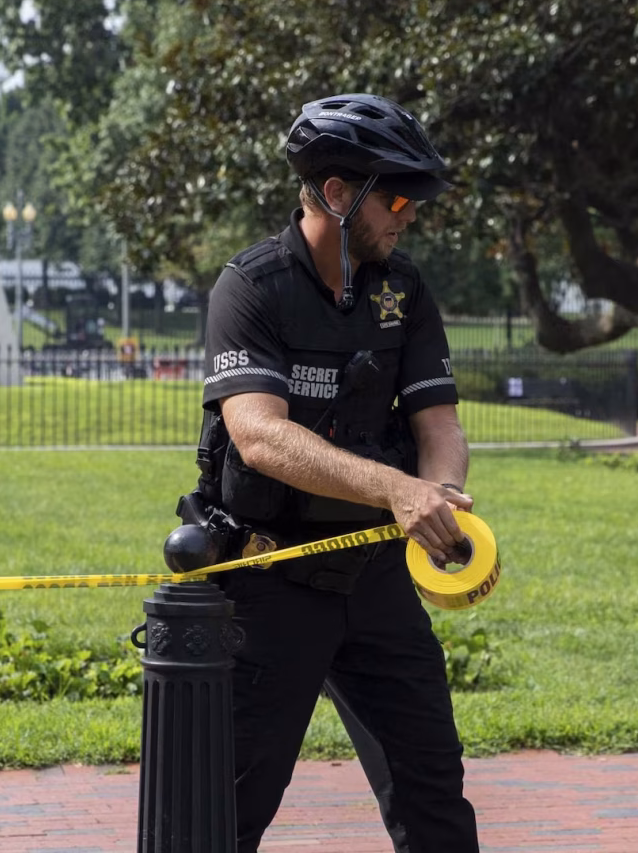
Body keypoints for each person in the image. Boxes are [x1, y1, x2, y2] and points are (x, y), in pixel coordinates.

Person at [194, 93, 478, 851]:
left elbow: (438, 425)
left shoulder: (404, 290)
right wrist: (397, 489)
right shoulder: (250, 289)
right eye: (395, 196)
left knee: (436, 801)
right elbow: (258, 436)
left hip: (377, 577)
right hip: (271, 576)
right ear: (335, 193)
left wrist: (441, 494)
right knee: (226, 809)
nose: (408, 214)